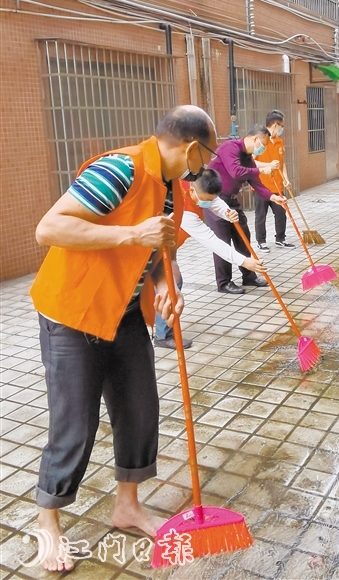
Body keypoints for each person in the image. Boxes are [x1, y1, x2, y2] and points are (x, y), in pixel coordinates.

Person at [29, 106, 217, 571]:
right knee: (75, 422)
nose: (205, 164)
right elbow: (48, 228)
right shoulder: (122, 168)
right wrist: (133, 232)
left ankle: (127, 506)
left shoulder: (173, 189)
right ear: (192, 149)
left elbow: (154, 253)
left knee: (138, 408)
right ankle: (47, 523)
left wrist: (160, 289)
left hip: (126, 311)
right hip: (74, 311)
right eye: (206, 154)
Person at [154, 170, 266, 348]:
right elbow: (212, 241)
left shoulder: (198, 185)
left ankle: (162, 331)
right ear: (192, 192)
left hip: (170, 247)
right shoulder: (184, 209)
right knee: (171, 283)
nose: (207, 203)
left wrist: (227, 213)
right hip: (155, 249)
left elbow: (215, 201)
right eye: (205, 199)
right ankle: (162, 335)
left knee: (174, 282)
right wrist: (244, 261)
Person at [206, 124, 286, 294]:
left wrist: (273, 197)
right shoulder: (230, 147)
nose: (262, 149)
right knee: (222, 241)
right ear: (255, 139)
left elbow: (256, 183)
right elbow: (236, 172)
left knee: (243, 238)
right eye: (262, 144)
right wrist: (260, 169)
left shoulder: (248, 157)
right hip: (215, 201)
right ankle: (224, 282)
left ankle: (248, 276)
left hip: (232, 201)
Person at [254, 110, 295, 251]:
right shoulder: (259, 140)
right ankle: (261, 241)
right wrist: (269, 165)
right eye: (282, 126)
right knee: (261, 215)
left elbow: (282, 163)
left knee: (281, 213)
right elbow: (252, 163)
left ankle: (280, 238)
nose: (283, 129)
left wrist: (286, 179)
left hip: (277, 186)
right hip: (261, 186)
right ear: (275, 125)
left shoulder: (279, 141)